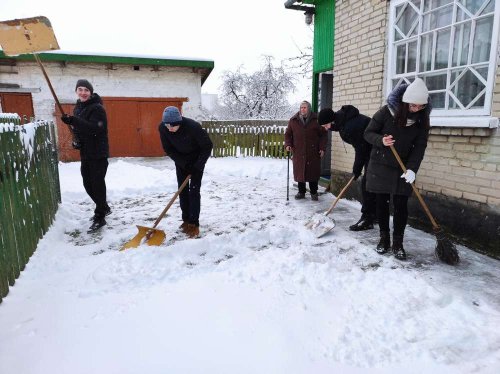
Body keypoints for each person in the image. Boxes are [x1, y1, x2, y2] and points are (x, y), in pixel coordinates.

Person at [364, 78, 431, 260]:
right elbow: (368, 133)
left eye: (421, 106)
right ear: (405, 102)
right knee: (382, 204)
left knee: (401, 206)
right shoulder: (386, 112)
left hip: (404, 167)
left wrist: (412, 169)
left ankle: (398, 243)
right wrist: (381, 141)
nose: (417, 109)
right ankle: (384, 239)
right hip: (381, 165)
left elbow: (420, 146)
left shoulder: (422, 119)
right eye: (413, 106)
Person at [61, 79, 110, 233]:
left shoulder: (97, 108)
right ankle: (104, 207)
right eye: (80, 89)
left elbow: (96, 129)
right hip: (86, 152)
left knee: (97, 184)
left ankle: (100, 216)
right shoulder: (79, 107)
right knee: (87, 184)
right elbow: (80, 130)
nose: (83, 92)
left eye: (86, 90)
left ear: (90, 92)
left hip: (98, 153)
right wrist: (77, 141)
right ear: (76, 91)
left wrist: (74, 120)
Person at [318, 105, 376, 231]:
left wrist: (356, 170)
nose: (326, 129)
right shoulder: (342, 120)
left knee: (367, 185)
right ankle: (373, 215)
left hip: (376, 151)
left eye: (326, 125)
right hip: (369, 150)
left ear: (331, 120)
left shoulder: (350, 126)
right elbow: (336, 126)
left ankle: (368, 218)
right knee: (370, 185)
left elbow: (360, 148)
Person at [158, 106, 213, 238]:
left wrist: (197, 166)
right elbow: (168, 149)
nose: (169, 128)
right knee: (182, 191)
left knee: (194, 191)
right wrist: (183, 163)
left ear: (179, 122)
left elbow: (207, 146)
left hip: (197, 160)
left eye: (172, 126)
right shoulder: (163, 128)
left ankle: (194, 224)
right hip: (181, 161)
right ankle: (186, 220)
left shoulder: (193, 127)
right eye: (167, 125)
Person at [284, 100, 327, 201]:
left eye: (305, 107)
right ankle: (301, 191)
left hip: (313, 151)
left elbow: (323, 135)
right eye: (301, 107)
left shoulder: (316, 120)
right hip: (298, 151)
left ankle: (313, 192)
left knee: (313, 172)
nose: (302, 109)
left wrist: (322, 148)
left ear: (309, 109)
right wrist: (288, 144)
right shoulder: (293, 120)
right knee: (300, 172)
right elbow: (288, 134)